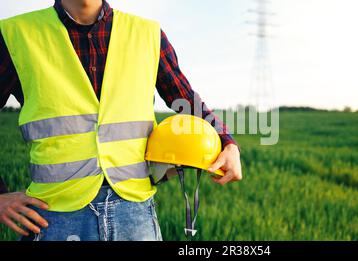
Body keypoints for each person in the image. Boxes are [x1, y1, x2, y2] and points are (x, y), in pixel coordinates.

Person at [0, 0, 242, 241]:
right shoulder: (15, 34)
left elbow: (186, 99)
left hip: (135, 215)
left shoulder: (147, 34)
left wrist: (228, 143)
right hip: (54, 217)